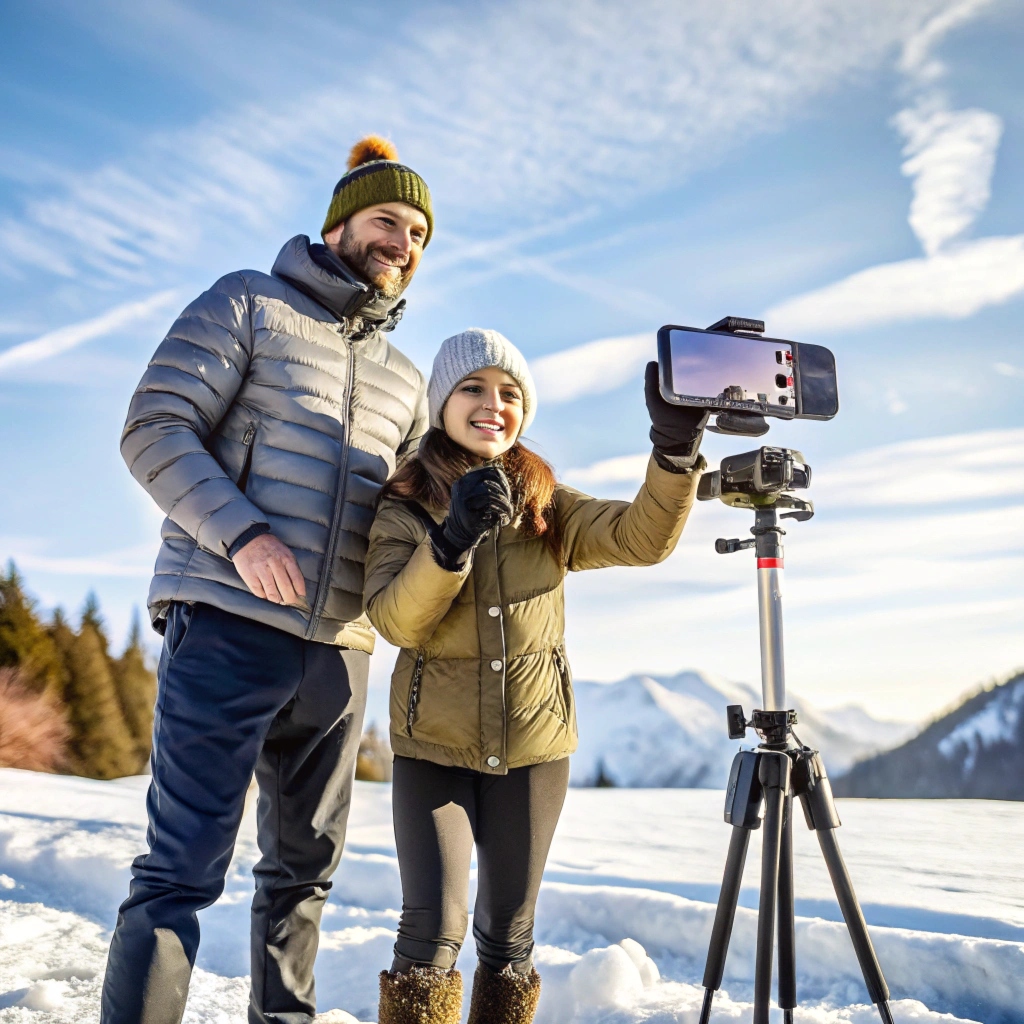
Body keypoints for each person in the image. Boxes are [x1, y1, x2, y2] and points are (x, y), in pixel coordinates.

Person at [103, 136, 433, 1024]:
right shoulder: (249, 302)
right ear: (338, 225)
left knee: (303, 880)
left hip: (336, 653)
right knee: (180, 871)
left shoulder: (407, 380)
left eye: (417, 231)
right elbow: (154, 428)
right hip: (226, 623)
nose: (400, 241)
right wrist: (242, 534)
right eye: (384, 221)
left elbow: (407, 518)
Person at [363, 328, 708, 1024]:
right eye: (473, 388)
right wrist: (450, 539)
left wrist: (674, 453)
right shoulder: (403, 506)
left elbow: (643, 537)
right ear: (441, 403)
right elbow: (396, 621)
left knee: (509, 939)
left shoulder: (548, 505)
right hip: (434, 748)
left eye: (510, 393)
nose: (494, 405)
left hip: (534, 752)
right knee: (430, 934)